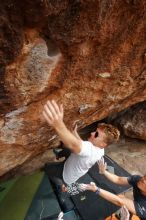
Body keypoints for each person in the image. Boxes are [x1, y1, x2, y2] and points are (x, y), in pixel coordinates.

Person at [43, 100, 120, 195]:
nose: (92, 133)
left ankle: (61, 187)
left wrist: (58, 123)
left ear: (103, 144)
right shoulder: (100, 150)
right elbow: (81, 145)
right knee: (68, 150)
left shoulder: (90, 150)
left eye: (96, 134)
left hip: (65, 175)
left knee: (48, 167)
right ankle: (59, 156)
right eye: (95, 131)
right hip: (74, 164)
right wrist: (74, 133)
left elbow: (74, 145)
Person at [79, 158, 146, 219]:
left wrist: (96, 189)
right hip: (138, 205)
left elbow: (119, 201)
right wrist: (104, 172)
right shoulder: (138, 180)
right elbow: (118, 179)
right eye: (145, 177)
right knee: (124, 203)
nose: (143, 180)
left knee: (123, 203)